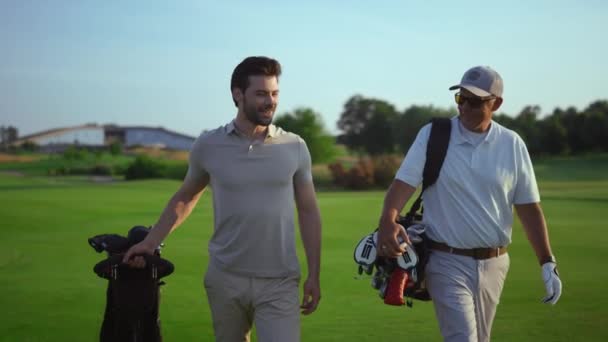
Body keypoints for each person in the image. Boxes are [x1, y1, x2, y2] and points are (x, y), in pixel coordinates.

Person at [123, 56, 322, 342]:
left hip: (280, 279)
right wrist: (150, 242)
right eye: (261, 93)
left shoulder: (295, 146)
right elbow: (186, 197)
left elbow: (309, 211)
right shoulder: (208, 144)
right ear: (237, 94)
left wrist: (314, 274)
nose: (271, 101)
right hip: (225, 278)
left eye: (275, 93)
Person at [377, 66, 562, 342]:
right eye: (460, 98)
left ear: (496, 104)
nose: (464, 107)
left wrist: (547, 262)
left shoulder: (512, 145)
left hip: (495, 263)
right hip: (445, 260)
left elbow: (528, 208)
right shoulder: (433, 135)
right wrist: (387, 221)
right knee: (462, 337)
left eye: (474, 101)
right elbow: (402, 185)